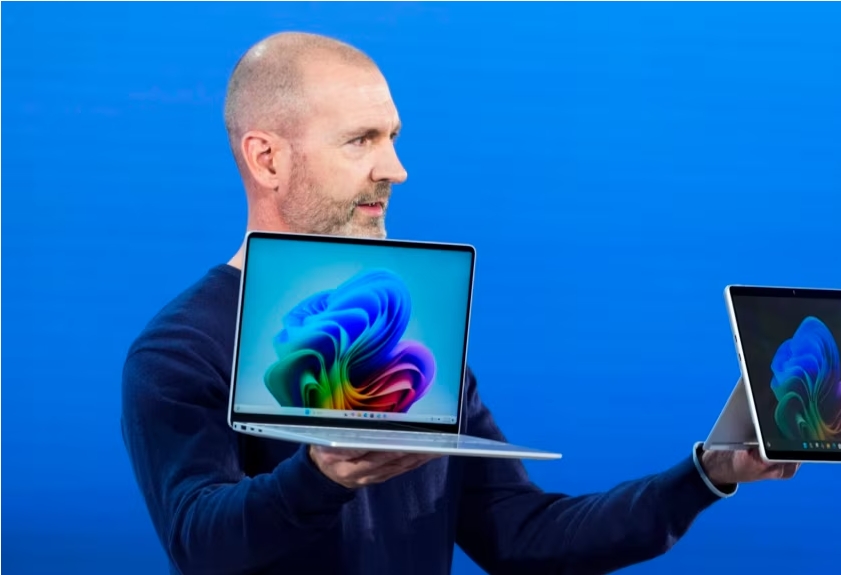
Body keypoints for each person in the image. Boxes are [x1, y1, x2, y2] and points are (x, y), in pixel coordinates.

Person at [121, 31, 799, 575]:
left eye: (392, 137)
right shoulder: (180, 349)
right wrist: (322, 474)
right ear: (266, 159)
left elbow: (525, 537)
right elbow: (198, 540)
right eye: (361, 140)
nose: (395, 168)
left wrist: (706, 471)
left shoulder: (410, 344)